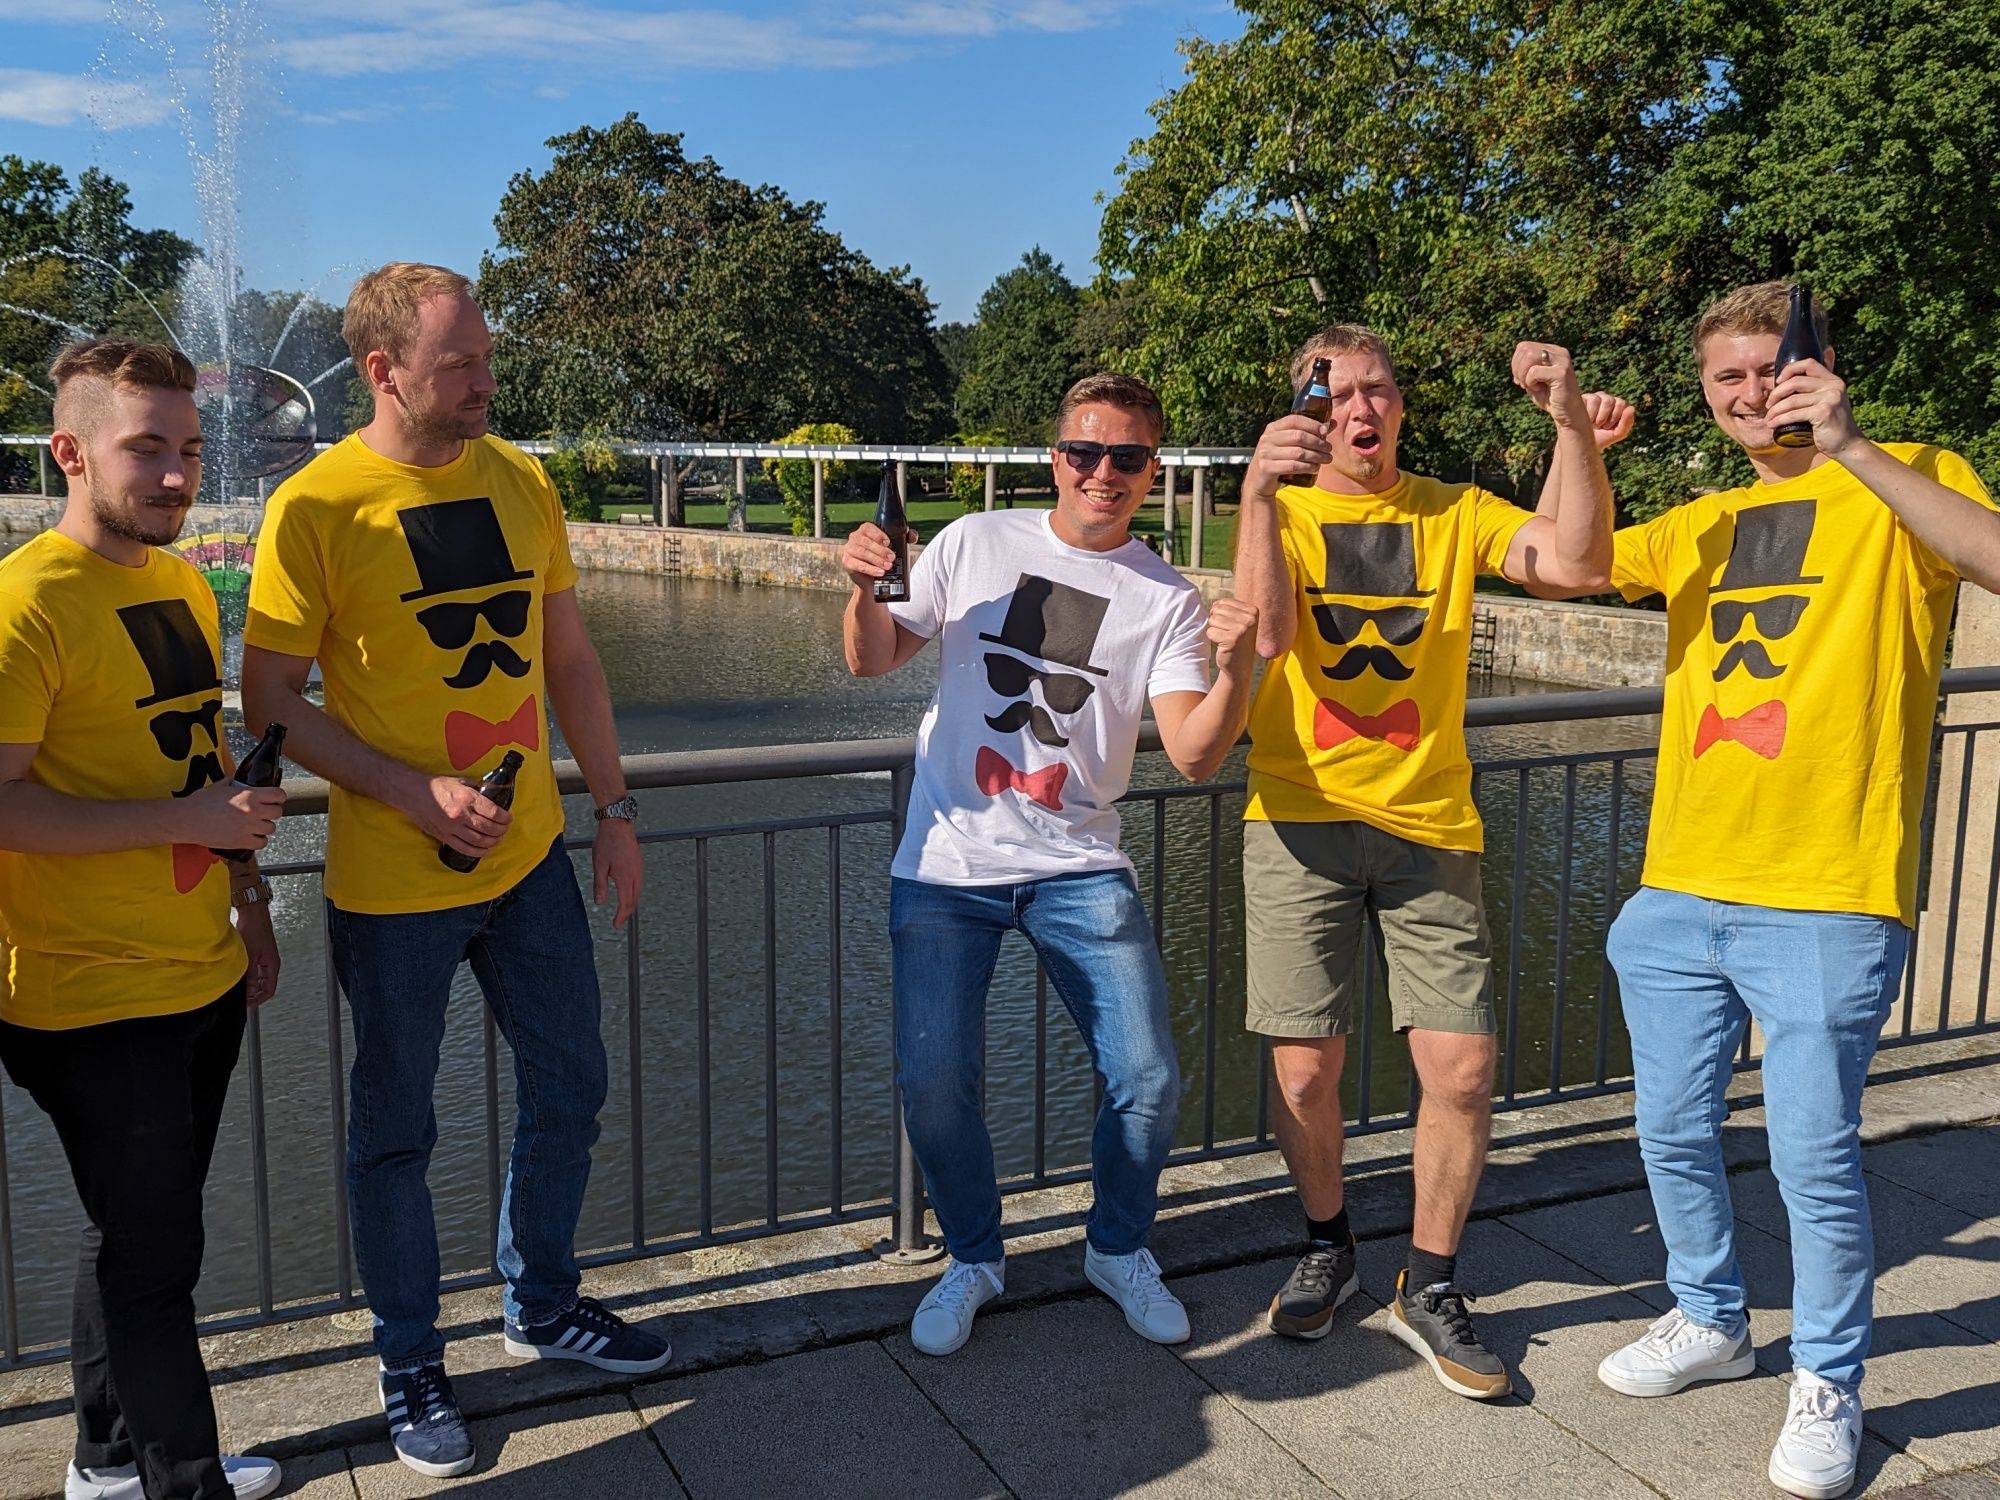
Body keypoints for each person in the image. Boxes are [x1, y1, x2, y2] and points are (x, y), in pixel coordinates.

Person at [1535, 282, 2000, 1500]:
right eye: (1725, 380)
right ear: (1706, 394)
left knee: (1810, 1154)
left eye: (1768, 369)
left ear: (1820, 367)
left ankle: (1829, 1377)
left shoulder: (1905, 471)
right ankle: (1710, 1318)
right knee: (1672, 1130)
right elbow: (1567, 569)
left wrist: (1847, 447)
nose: (1751, 394)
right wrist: (1573, 433)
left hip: (1827, 888)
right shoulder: (1699, 519)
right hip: (1679, 886)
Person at [240, 263, 666, 1480]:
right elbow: (269, 703)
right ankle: (412, 1358)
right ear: (383, 372)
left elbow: (568, 660)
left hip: (528, 857)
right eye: (460, 364)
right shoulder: (316, 507)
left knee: (571, 1087)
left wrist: (618, 810)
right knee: (395, 1134)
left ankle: (540, 1304)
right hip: (392, 885)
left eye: (486, 356)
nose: (487, 380)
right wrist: (400, 786)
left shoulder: (520, 477)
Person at [1231, 326, 1615, 1398]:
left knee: (1462, 1069)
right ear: (1308, 410)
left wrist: (1567, 419)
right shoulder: (1285, 510)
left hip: (1429, 824)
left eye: (1378, 391)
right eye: (1336, 393)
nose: (1361, 408)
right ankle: (1328, 1243)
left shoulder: (1450, 512)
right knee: (1304, 1070)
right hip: (1295, 819)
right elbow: (1263, 639)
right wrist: (1259, 498)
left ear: (1400, 407)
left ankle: (1430, 1285)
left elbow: (1578, 564)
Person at [841, 373, 1258, 1356]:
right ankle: (974, 1258)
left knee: (1147, 1077)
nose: (1101, 473)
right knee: (933, 1080)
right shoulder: (975, 542)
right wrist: (861, 586)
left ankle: (1115, 1249)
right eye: (1084, 451)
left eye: (1126, 458)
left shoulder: (1163, 595)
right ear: (1054, 457)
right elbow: (870, 660)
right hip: (946, 860)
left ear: (1151, 471)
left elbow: (1196, 752)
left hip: (1078, 861)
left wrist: (1239, 663)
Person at [0, 339, 284, 1500]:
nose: (177, 477)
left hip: (194, 971)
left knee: (131, 1237)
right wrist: (186, 820)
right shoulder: (25, 607)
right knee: (158, 1265)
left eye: (190, 449)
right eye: (146, 450)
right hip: (87, 993)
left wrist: (249, 896)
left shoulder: (171, 580)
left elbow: (209, 761)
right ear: (69, 452)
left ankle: (106, 1461)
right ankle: (185, 1484)